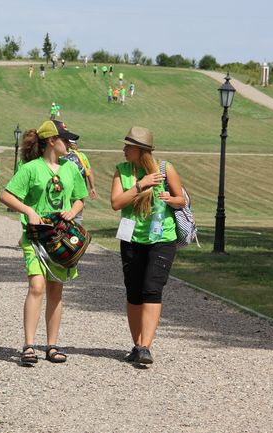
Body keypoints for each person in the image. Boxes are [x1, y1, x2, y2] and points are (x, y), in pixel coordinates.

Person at [0, 119, 87, 365]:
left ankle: (52, 345)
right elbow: (6, 195)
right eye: (66, 139)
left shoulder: (70, 168)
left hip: (62, 239)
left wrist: (74, 210)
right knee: (37, 287)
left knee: (56, 290)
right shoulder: (31, 169)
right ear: (51, 141)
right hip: (37, 237)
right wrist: (28, 210)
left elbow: (80, 198)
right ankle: (28, 345)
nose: (70, 143)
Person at [110, 126, 185, 366]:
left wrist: (170, 199)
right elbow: (116, 203)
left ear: (141, 150)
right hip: (132, 237)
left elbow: (181, 199)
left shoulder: (165, 169)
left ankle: (145, 346)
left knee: (151, 289)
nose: (123, 150)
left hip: (162, 238)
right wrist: (140, 185)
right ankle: (137, 344)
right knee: (133, 291)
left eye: (128, 147)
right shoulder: (122, 171)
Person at [62, 139, 97, 224]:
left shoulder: (61, 154)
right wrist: (92, 187)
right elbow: (88, 172)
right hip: (79, 190)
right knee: (78, 215)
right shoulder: (81, 155)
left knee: (65, 211)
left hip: (64, 189)